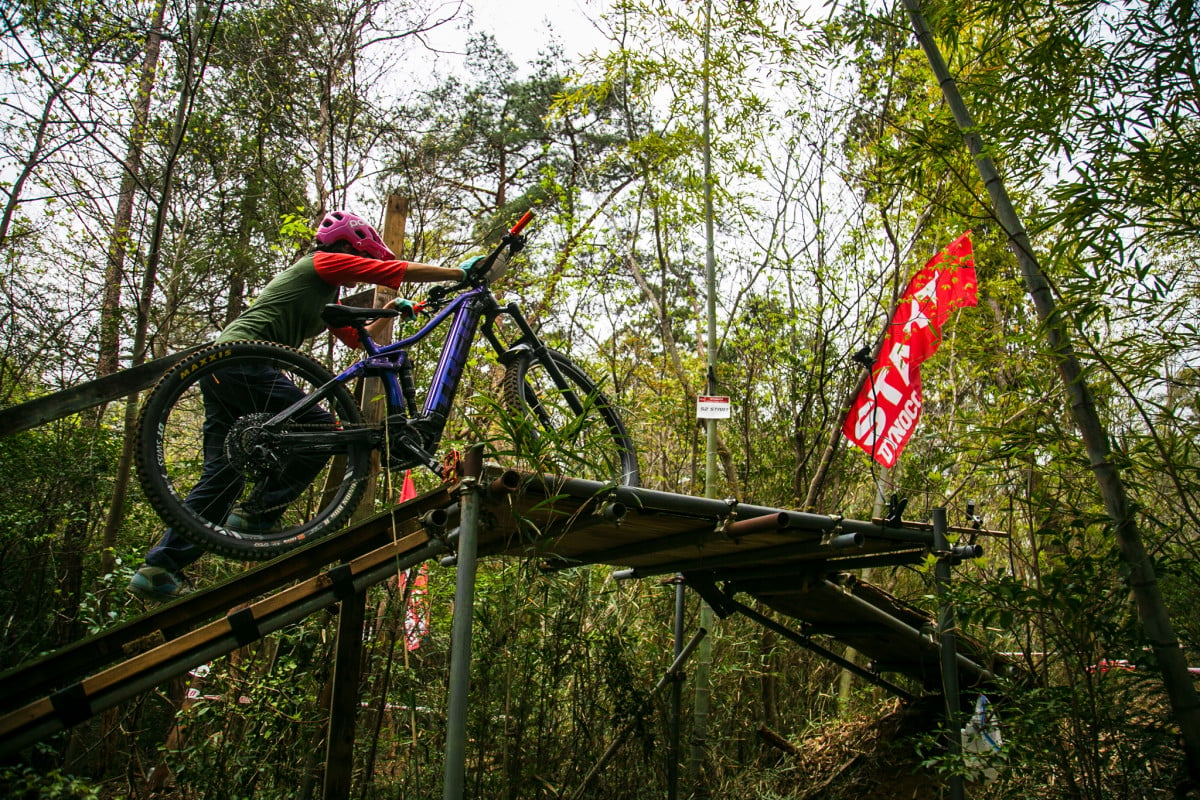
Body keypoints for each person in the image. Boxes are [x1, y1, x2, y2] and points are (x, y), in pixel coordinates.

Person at [128, 210, 473, 603]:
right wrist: (457, 274)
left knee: (222, 475)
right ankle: (258, 513)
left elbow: (355, 340)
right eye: (359, 254)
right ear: (348, 247)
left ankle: (159, 568)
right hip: (244, 362)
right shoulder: (320, 263)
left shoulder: (325, 292)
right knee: (324, 432)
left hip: (223, 371)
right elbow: (390, 270)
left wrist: (393, 313)